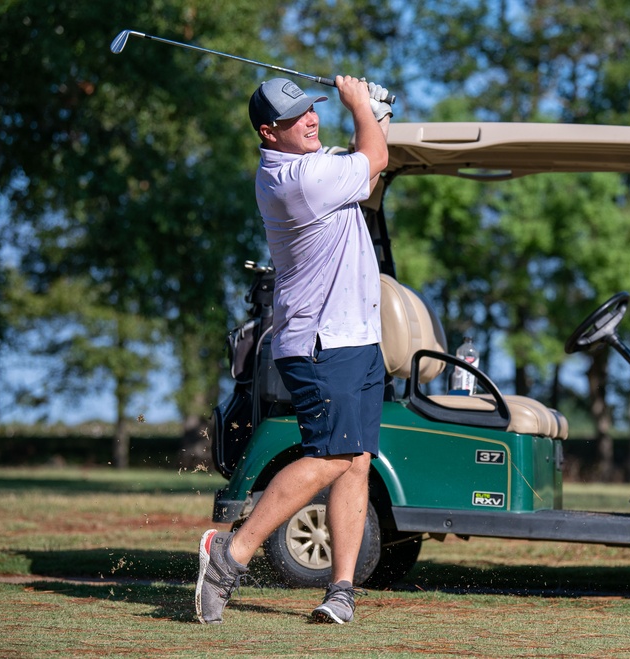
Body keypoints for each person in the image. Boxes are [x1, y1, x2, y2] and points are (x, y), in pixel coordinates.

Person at [195, 75, 391, 626]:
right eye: (296, 118)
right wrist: (362, 105)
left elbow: (367, 162)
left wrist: (376, 113)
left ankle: (341, 590)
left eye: (313, 109)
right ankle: (229, 555)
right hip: (323, 343)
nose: (311, 120)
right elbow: (373, 156)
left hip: (354, 337)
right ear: (268, 132)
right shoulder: (297, 180)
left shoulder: (313, 166)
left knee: (354, 461)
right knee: (330, 455)